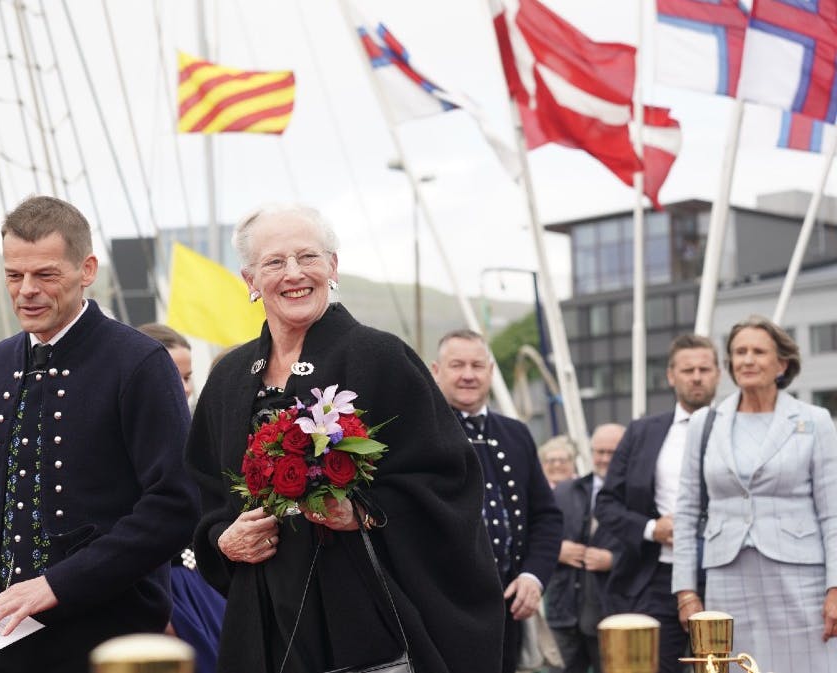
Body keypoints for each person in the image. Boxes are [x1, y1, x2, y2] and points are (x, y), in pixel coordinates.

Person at [188, 204, 504, 673]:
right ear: (250, 280)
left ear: (332, 267)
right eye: (275, 262)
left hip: (362, 616)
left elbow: (450, 480)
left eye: (308, 257)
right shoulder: (229, 377)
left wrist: (363, 512)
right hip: (262, 619)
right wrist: (223, 538)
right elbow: (201, 492)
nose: (294, 273)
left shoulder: (380, 357)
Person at [0, 195, 199, 673]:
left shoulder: (140, 365)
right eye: (13, 275)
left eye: (45, 275)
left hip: (111, 647)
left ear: (86, 269)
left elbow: (176, 504)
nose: (26, 290)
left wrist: (58, 584)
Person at [674, 316, 837, 670]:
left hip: (802, 581)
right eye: (739, 352)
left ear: (782, 363)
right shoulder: (706, 423)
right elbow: (686, 513)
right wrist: (685, 592)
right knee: (732, 666)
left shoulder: (814, 421)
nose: (747, 360)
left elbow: (833, 513)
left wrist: (835, 589)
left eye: (758, 351)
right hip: (727, 578)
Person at [432, 329, 562, 673]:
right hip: (443, 614)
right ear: (435, 371)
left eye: (477, 365)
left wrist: (533, 577)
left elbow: (546, 517)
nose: (468, 374)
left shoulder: (516, 433)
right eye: (457, 365)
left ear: (490, 371)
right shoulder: (420, 432)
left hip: (509, 611)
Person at [595, 333, 719, 673]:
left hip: (724, 573)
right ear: (671, 376)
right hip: (655, 577)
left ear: (718, 374)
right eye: (687, 369)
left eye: (704, 369)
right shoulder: (641, 432)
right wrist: (652, 529)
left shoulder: (734, 429)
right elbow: (606, 504)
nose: (696, 376)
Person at [135, 323, 224, 673]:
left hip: (204, 586)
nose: (183, 389)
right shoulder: (123, 440)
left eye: (188, 378)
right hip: (156, 591)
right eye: (174, 376)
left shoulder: (198, 432)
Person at [546, 424, 624, 673]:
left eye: (612, 452)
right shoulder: (566, 491)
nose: (604, 459)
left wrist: (614, 560)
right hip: (565, 613)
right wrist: (556, 550)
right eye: (599, 452)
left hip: (611, 616)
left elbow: (652, 551)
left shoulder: (641, 495)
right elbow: (537, 537)